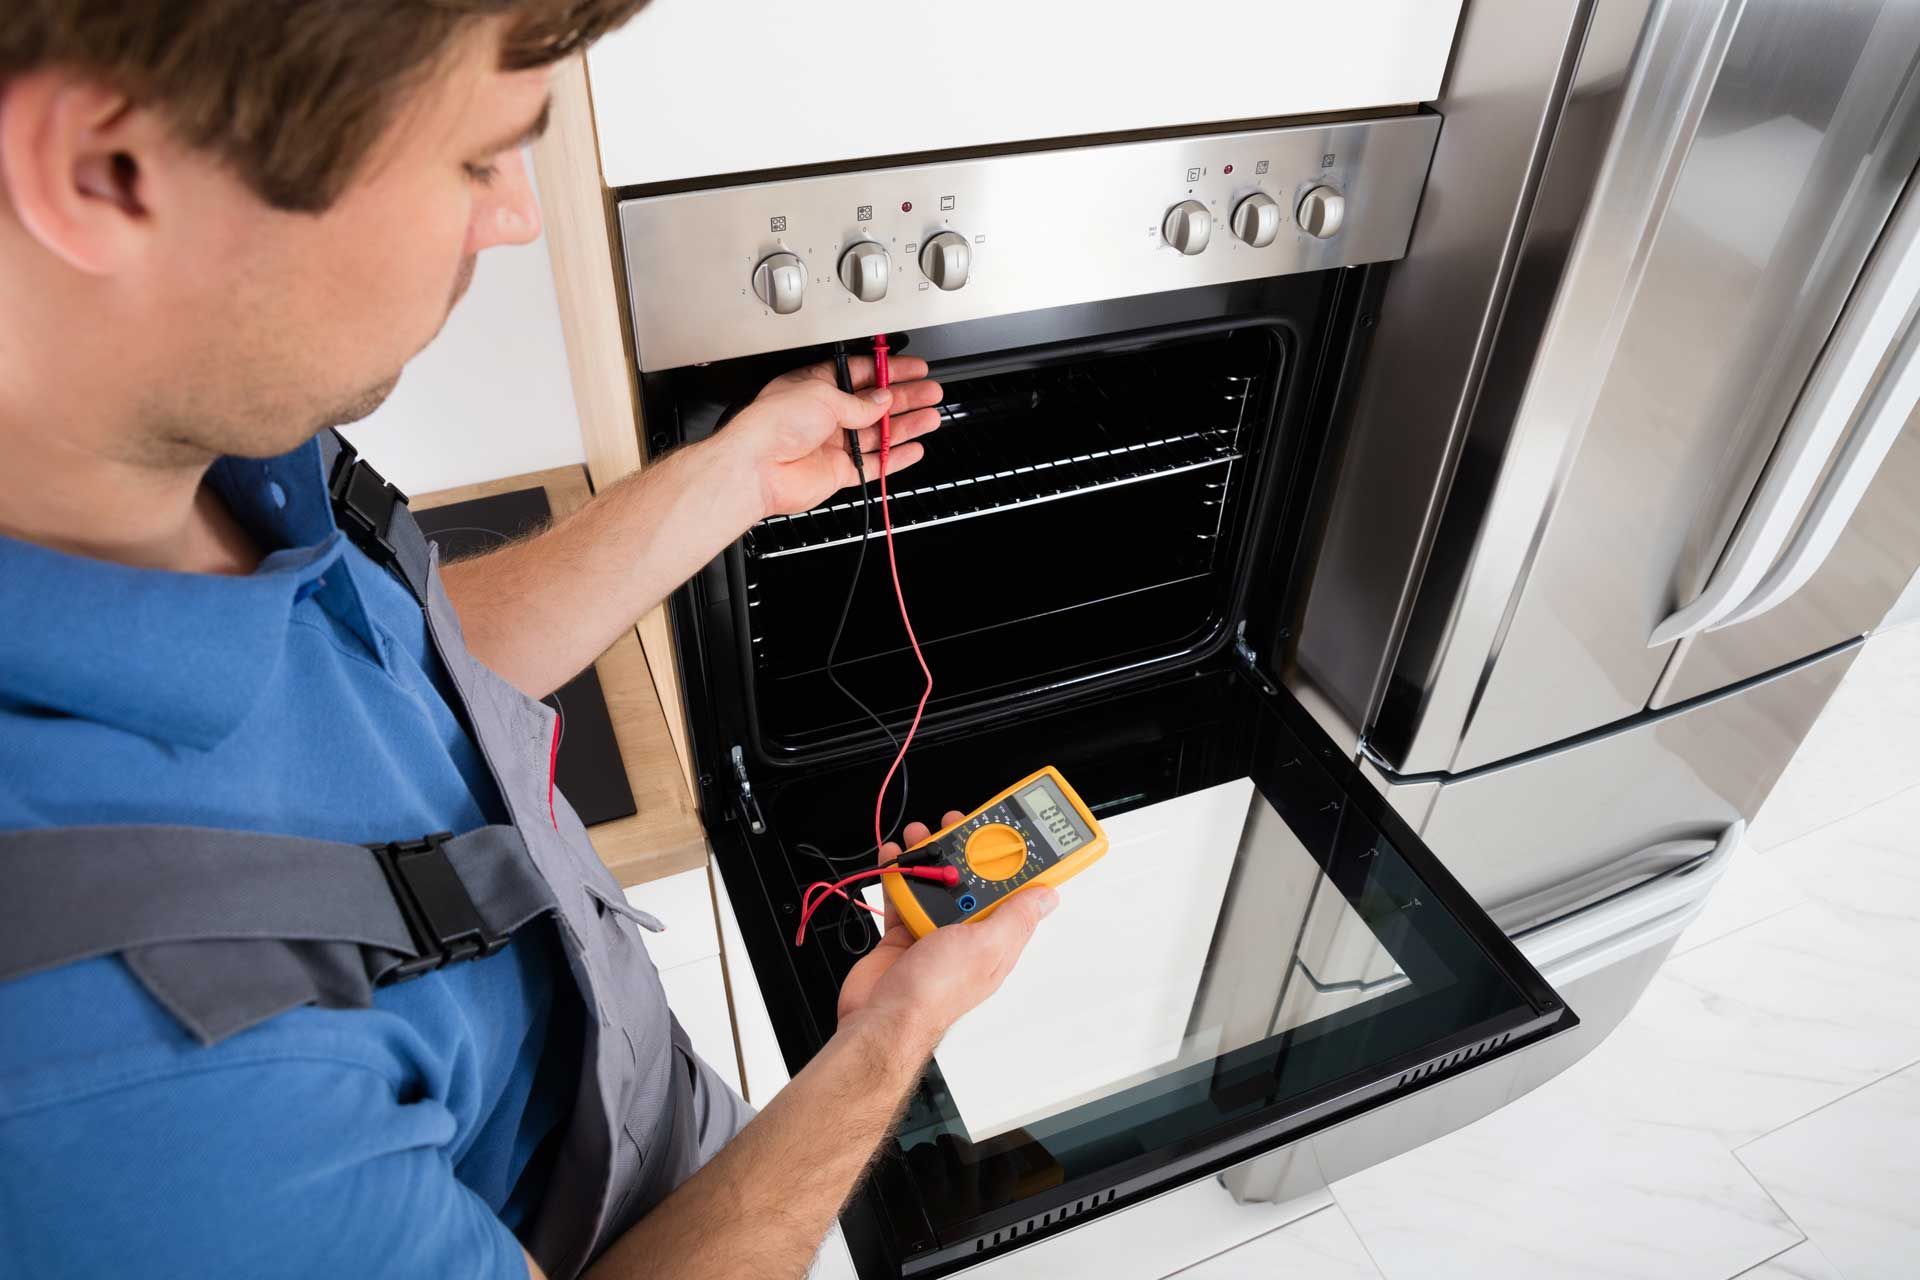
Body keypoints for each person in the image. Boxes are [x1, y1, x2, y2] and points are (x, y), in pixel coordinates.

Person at [0, 3, 1057, 1277]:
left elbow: (405, 675)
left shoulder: (196, 423)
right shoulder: (125, 1093)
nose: (519, 213)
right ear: (103, 173)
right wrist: (890, 1037)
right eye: (473, 156)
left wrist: (729, 479)